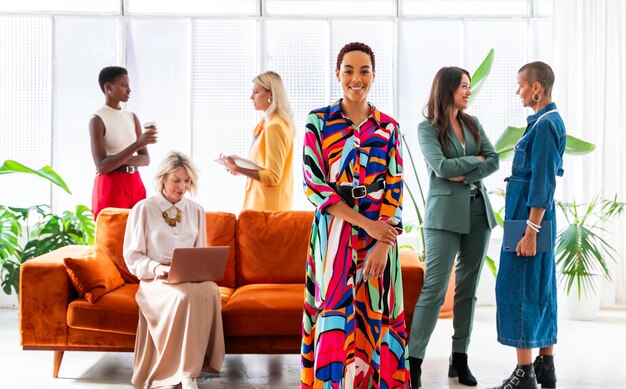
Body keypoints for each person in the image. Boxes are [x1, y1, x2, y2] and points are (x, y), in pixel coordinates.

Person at [301, 42, 408, 388]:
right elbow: (313, 184)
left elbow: (395, 188)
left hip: (380, 238)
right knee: (333, 316)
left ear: (374, 76)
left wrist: (382, 243)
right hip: (333, 235)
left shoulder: (389, 127)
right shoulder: (318, 121)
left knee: (376, 317)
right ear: (337, 74)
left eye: (364, 71)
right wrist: (367, 225)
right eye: (348, 70)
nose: (356, 78)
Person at [408, 66, 500, 388]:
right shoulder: (427, 129)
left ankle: (459, 358)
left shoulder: (472, 123)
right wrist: (473, 164)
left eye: (469, 86)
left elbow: (493, 160)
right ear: (448, 88)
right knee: (434, 290)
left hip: (478, 214)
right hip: (443, 217)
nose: (468, 91)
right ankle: (414, 361)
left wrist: (467, 169)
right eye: (463, 86)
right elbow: (441, 167)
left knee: (468, 291)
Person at [490, 61, 566, 389]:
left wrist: (531, 231)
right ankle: (544, 366)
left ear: (536, 88)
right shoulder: (541, 122)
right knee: (539, 288)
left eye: (521, 85)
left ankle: (524, 374)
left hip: (529, 218)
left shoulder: (546, 124)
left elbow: (542, 182)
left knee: (518, 288)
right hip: (530, 217)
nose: (517, 91)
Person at [123, 151, 224, 389]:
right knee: (185, 296)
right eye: (176, 180)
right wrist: (156, 267)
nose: (183, 186)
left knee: (210, 290)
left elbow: (202, 251)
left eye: (187, 181)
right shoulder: (143, 209)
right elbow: (132, 255)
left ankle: (194, 368)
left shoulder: (196, 210)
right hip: (155, 281)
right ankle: (185, 374)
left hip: (190, 278)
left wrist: (202, 269)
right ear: (163, 179)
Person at [218, 71, 295, 211]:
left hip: (268, 210)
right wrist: (242, 169)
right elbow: (264, 168)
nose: (251, 97)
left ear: (271, 94)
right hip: (260, 205)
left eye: (256, 92)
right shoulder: (268, 124)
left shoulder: (275, 126)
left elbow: (273, 177)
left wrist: (238, 168)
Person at [90, 66, 158, 219]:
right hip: (111, 185)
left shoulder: (131, 117)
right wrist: (136, 145)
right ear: (108, 87)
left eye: (129, 85)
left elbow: (145, 160)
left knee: (139, 236)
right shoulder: (97, 119)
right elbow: (102, 166)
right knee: (113, 237)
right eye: (124, 85)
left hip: (134, 182)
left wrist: (115, 160)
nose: (129, 90)